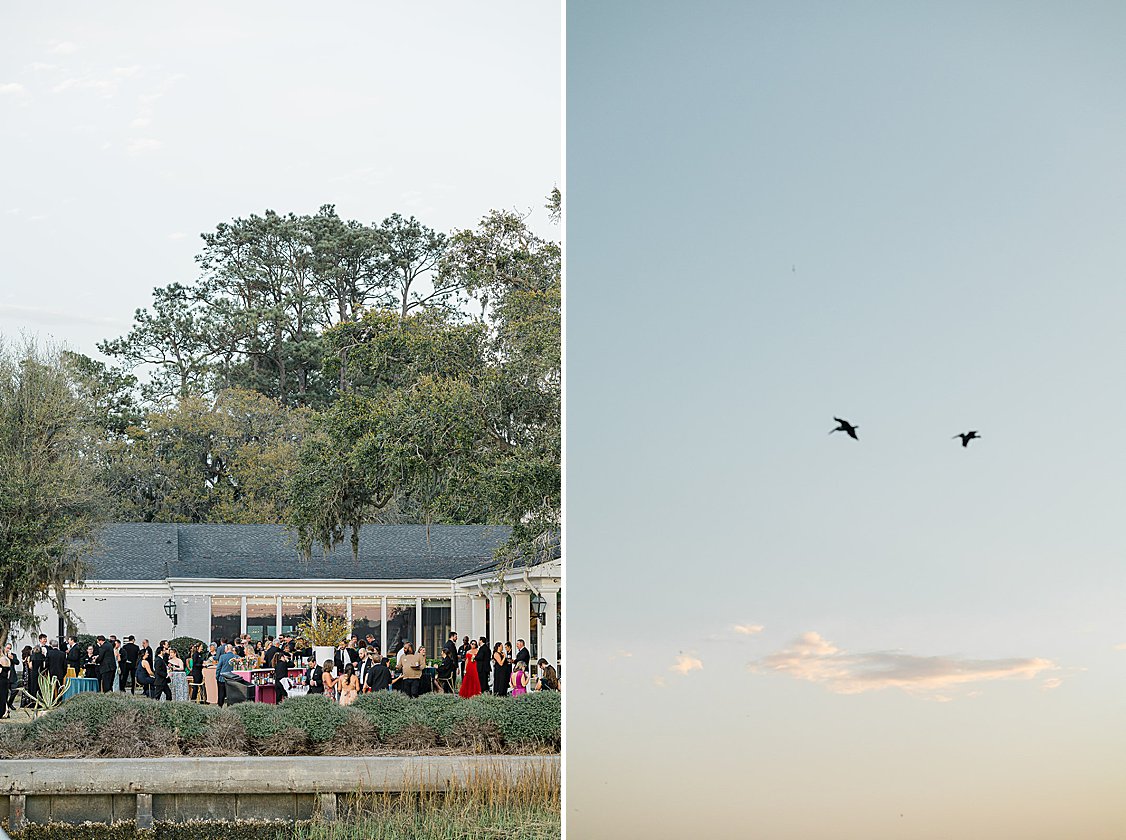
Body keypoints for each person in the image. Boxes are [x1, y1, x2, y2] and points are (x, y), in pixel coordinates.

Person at [0, 651, 13, 719]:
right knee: (4, 696)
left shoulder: (1, 660)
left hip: (1, 680)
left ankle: (3, 712)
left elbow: (0, 671)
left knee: (1, 697)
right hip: (6, 680)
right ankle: (6, 711)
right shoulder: (7, 659)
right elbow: (9, 673)